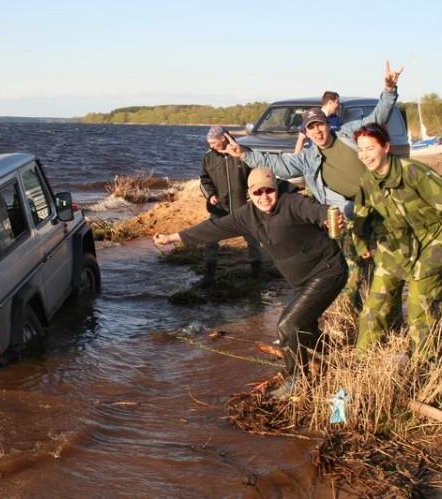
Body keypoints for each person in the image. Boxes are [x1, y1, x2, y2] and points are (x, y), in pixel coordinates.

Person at [224, 61, 404, 310]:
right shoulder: (308, 158)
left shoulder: (350, 133)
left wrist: (389, 89)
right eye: (310, 128)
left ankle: (388, 308)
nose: (317, 131)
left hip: (379, 204)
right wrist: (244, 153)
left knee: (390, 260)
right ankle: (356, 312)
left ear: (326, 124)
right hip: (347, 213)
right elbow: (278, 165)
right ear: (306, 133)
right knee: (354, 264)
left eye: (319, 124)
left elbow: (378, 116)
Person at [154, 168, 347, 398]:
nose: (264, 197)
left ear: (276, 189)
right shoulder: (248, 216)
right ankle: (337, 358)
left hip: (327, 271)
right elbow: (213, 229)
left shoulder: (292, 202)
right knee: (304, 327)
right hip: (303, 281)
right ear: (249, 194)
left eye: (269, 191)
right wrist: (173, 237)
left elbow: (316, 210)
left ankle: (299, 380)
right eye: (258, 192)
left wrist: (329, 218)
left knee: (287, 326)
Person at [351, 123, 442, 355]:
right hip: (396, 244)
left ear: (386, 147)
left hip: (432, 241)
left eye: (370, 148)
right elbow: (361, 215)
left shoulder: (413, 172)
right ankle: (362, 360)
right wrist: (360, 244)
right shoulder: (367, 181)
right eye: (360, 150)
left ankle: (424, 364)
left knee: (420, 307)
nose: (365, 156)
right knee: (375, 305)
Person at [198, 126, 263, 286]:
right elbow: (204, 179)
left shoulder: (244, 152)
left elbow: (258, 174)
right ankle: (209, 273)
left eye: (214, 142)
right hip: (220, 207)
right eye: (209, 143)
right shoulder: (208, 157)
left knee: (253, 238)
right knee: (211, 238)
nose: (211, 146)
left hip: (244, 205)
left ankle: (257, 272)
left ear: (224, 138)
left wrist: (253, 193)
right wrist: (211, 195)